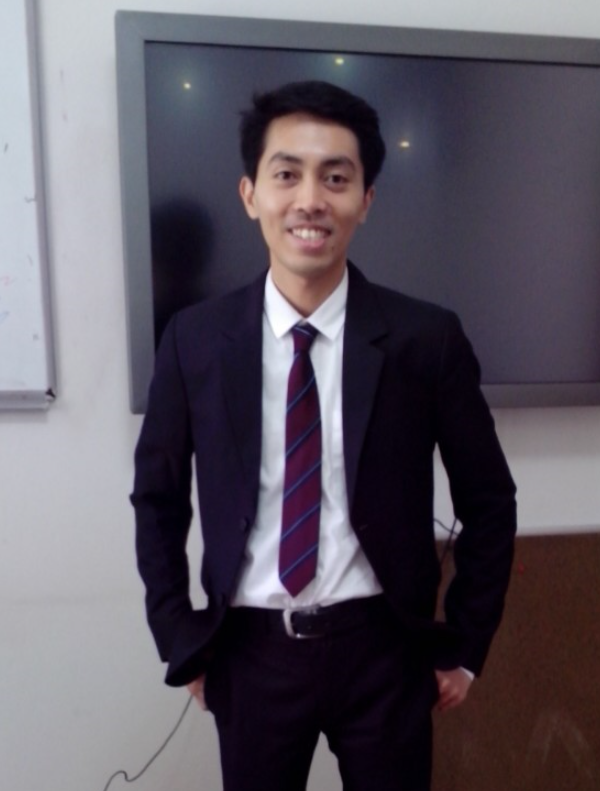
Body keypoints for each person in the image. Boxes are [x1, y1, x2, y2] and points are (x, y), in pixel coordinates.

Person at [131, 80, 517, 791]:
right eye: (287, 174)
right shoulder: (195, 340)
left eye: (335, 178)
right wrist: (179, 636)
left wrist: (465, 643)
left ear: (365, 200)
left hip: (384, 651)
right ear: (251, 194)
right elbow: (157, 499)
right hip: (250, 654)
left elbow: (489, 501)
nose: (310, 199)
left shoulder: (425, 339)